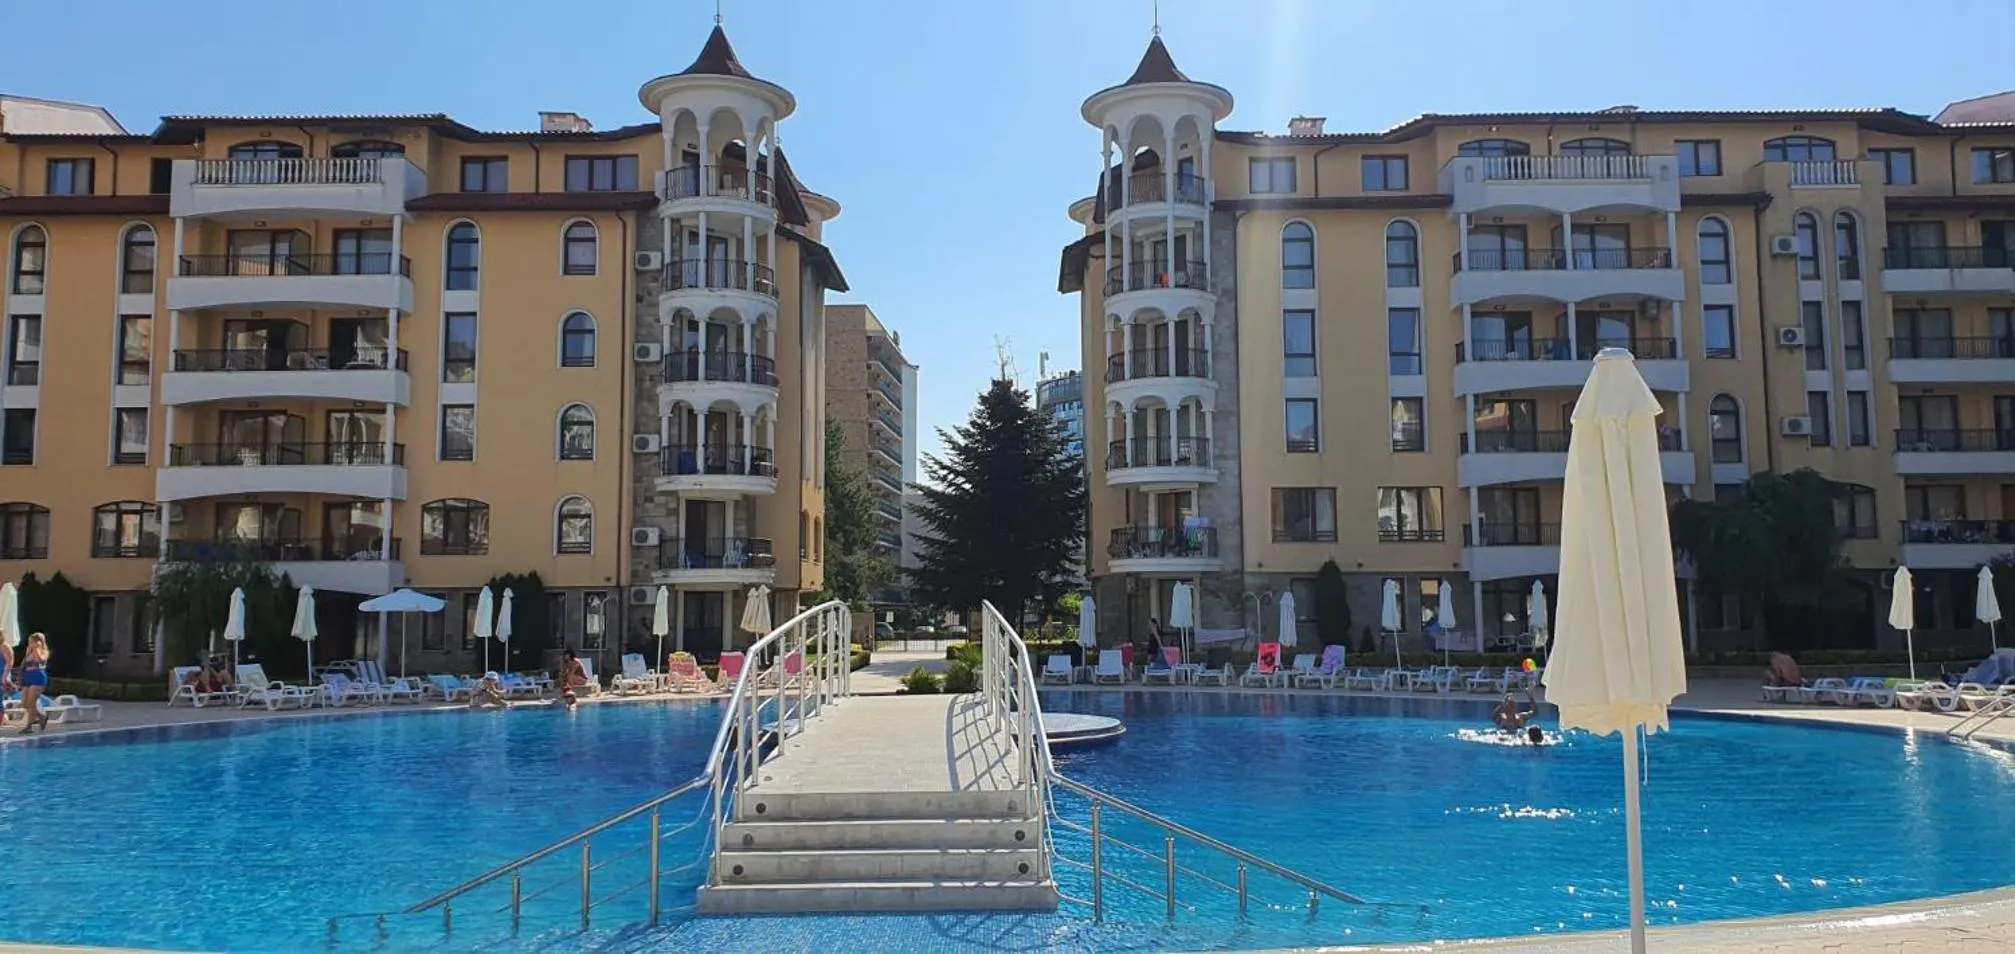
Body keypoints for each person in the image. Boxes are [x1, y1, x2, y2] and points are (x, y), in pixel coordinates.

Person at [18, 633, 51, 733]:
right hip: (27, 677)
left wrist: (36, 649)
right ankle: (42, 716)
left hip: (38, 677)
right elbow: (23, 665)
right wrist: (20, 678)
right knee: (24, 703)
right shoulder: (29, 651)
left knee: (31, 703)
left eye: (32, 641)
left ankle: (29, 727)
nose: (30, 643)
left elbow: (40, 660)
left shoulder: (44, 651)